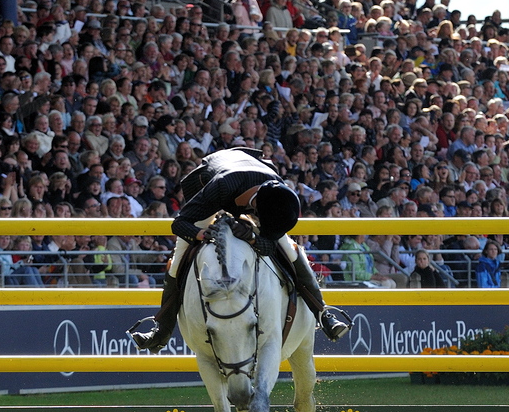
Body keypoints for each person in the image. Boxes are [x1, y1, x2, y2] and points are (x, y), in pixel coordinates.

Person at [128, 148, 351, 353]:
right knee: (178, 259)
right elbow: (179, 224)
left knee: (291, 250)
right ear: (255, 208)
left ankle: (324, 314)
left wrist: (253, 238)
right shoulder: (221, 185)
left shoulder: (276, 193)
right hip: (210, 188)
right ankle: (160, 330)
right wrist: (201, 235)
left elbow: (268, 244)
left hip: (254, 180)